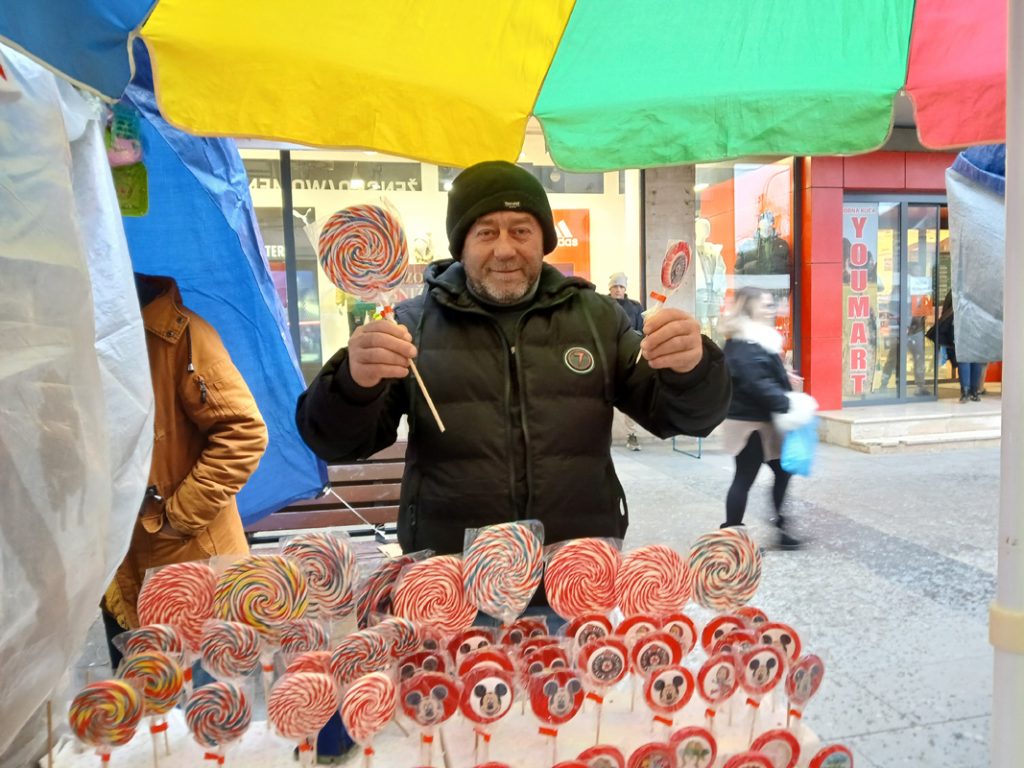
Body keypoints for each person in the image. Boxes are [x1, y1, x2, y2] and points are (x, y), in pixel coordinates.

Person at [296, 160, 731, 564]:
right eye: (486, 232)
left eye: (521, 231)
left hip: (574, 576)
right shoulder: (409, 327)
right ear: (461, 245)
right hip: (453, 581)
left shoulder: (597, 317)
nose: (505, 249)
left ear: (544, 241)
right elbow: (337, 443)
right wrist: (352, 384)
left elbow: (684, 418)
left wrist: (692, 370)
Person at [102, 274, 268, 670]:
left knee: (209, 713)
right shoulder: (80, 347)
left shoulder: (180, 334)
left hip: (193, 568)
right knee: (145, 719)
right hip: (118, 573)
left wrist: (177, 517)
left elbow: (243, 432)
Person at [719, 286, 814, 550]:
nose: (771, 309)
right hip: (748, 423)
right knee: (744, 478)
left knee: (782, 472)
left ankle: (781, 527)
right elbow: (755, 381)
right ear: (749, 306)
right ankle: (733, 537)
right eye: (765, 304)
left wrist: (784, 378)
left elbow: (762, 374)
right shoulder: (743, 340)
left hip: (764, 421)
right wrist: (787, 402)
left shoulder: (759, 338)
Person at [607, 271, 644, 450]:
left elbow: (642, 330)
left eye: (621, 286)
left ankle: (632, 435)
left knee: (630, 396)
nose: (618, 290)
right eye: (615, 286)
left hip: (629, 357)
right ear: (610, 288)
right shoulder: (601, 304)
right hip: (607, 357)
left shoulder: (635, 307)